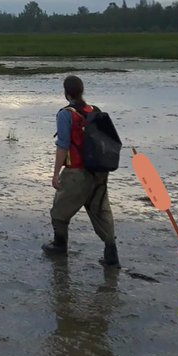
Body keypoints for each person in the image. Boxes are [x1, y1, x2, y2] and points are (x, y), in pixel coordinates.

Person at [42, 75, 120, 267]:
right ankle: (111, 255)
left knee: (59, 212)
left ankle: (60, 245)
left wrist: (55, 174)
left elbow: (63, 146)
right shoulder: (94, 111)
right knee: (101, 212)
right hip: (99, 171)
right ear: (82, 90)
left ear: (66, 92)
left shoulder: (65, 114)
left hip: (76, 172)